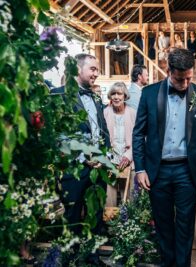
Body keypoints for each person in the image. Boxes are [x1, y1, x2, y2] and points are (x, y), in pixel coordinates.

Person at [132, 48, 196, 267]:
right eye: (180, 79)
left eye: (189, 78)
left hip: (187, 171)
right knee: (163, 224)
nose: (186, 84)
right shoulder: (149, 94)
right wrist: (140, 168)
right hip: (156, 172)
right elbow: (138, 133)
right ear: (168, 71)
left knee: (186, 224)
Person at [51, 54, 110, 245]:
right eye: (92, 69)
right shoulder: (59, 94)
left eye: (97, 69)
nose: (96, 73)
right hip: (74, 169)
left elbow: (103, 131)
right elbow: (58, 135)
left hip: (97, 169)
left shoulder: (96, 97)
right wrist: (84, 157)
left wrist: (104, 156)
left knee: (96, 215)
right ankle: (72, 258)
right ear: (78, 69)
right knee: (72, 217)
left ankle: (93, 257)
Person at [104, 82, 137, 206]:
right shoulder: (105, 112)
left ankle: (127, 223)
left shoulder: (133, 113)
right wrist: (109, 156)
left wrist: (128, 156)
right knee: (109, 198)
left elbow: (139, 139)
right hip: (110, 160)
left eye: (119, 93)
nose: (116, 97)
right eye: (113, 93)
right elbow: (102, 138)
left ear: (125, 96)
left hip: (129, 160)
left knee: (129, 197)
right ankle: (110, 222)